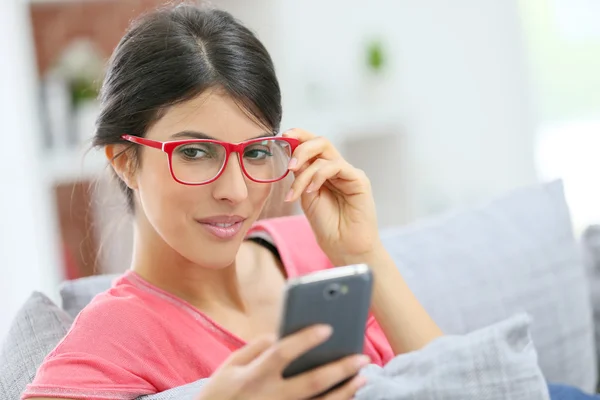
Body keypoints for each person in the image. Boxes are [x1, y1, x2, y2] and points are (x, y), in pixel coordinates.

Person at [22, 4, 600, 400]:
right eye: (195, 153)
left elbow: (465, 384)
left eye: (255, 152)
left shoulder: (310, 244)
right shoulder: (115, 333)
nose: (236, 189)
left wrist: (366, 250)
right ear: (124, 159)